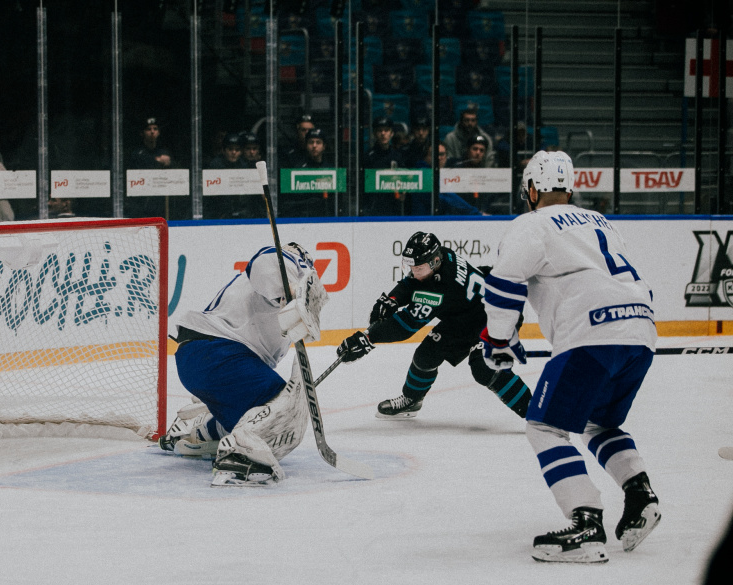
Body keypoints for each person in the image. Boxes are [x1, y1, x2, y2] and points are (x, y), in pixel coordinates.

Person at [481, 150, 660, 564]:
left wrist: (499, 341)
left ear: (531, 189)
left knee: (544, 426)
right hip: (641, 330)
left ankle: (586, 522)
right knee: (599, 422)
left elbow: (504, 284)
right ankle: (640, 494)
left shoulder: (531, 224)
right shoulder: (600, 221)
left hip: (591, 332)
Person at [159, 244, 328, 486]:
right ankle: (239, 457)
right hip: (218, 354)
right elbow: (264, 262)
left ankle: (200, 431)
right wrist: (288, 289)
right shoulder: (291, 263)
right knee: (283, 410)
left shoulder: (277, 296)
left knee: (258, 417)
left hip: (201, 358)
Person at [335, 231, 532, 421]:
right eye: (412, 266)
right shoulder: (442, 256)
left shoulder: (439, 289)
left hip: (498, 315)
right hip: (466, 317)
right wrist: (393, 299)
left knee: (484, 367)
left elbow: (406, 326)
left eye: (418, 268)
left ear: (434, 261)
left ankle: (536, 412)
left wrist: (369, 338)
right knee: (426, 356)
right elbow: (412, 282)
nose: (414, 272)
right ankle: (412, 400)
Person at [407, 142, 483, 216]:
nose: (438, 158)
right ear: (425, 156)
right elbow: (447, 198)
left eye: (441, 154)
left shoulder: (440, 174)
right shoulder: (424, 173)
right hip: (423, 220)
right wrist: (474, 213)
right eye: (434, 154)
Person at [127, 116, 173, 218]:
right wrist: (156, 160)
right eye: (149, 129)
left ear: (158, 132)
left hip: (158, 202)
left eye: (155, 129)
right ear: (142, 133)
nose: (152, 132)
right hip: (140, 202)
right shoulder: (137, 153)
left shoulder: (164, 152)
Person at [283, 128, 333, 218]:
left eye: (318, 142)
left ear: (324, 146)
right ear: (306, 145)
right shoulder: (297, 169)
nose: (314, 146)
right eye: (311, 142)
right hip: (302, 216)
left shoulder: (330, 169)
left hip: (324, 216)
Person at [361, 116, 405, 216]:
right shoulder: (368, 157)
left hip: (394, 206)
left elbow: (403, 179)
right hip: (374, 207)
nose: (383, 133)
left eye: (386, 130)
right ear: (374, 134)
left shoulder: (397, 156)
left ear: (391, 133)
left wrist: (402, 192)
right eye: (380, 131)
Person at [203, 132, 250, 219]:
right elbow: (211, 195)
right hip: (217, 212)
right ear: (224, 150)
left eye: (237, 150)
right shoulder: (215, 165)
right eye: (230, 149)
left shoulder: (244, 165)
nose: (234, 152)